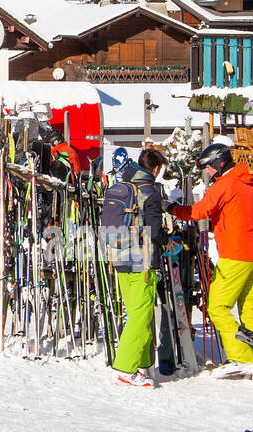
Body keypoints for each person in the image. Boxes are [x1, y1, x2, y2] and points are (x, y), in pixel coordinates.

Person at [170, 142, 253, 378]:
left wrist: (173, 208)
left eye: (207, 167)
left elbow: (198, 212)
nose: (206, 172)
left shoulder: (225, 185)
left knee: (217, 307)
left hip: (235, 255)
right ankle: (249, 352)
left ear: (220, 162)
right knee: (248, 307)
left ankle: (243, 357)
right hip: (250, 255)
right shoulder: (247, 181)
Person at [107, 148, 170, 387]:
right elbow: (154, 229)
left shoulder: (124, 186)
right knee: (141, 316)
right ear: (154, 169)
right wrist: (167, 240)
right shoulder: (149, 192)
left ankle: (142, 365)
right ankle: (124, 368)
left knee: (137, 315)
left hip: (120, 256)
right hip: (142, 260)